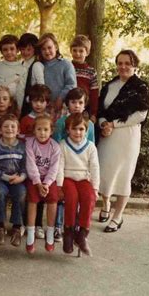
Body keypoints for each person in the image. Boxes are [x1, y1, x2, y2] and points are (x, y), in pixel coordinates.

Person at [97, 49, 149, 232]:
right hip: (107, 135)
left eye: (127, 63)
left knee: (123, 175)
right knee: (105, 172)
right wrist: (103, 123)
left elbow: (141, 114)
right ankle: (105, 205)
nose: (123, 66)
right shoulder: (110, 85)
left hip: (127, 136)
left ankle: (118, 216)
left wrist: (114, 124)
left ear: (134, 65)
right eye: (120, 63)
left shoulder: (140, 87)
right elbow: (100, 109)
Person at [52, 87, 96, 242]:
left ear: (84, 105)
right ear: (67, 104)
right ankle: (59, 226)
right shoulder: (61, 123)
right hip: (62, 166)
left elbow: (91, 147)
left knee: (84, 196)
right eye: (73, 102)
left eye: (80, 102)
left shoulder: (89, 125)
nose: (76, 105)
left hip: (82, 169)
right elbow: (57, 146)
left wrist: (90, 176)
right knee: (67, 196)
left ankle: (80, 227)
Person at [57, 113, 99, 256]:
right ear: (68, 130)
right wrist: (59, 186)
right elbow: (59, 167)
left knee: (89, 197)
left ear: (86, 130)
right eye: (74, 129)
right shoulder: (63, 144)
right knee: (71, 198)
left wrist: (95, 187)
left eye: (81, 129)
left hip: (83, 178)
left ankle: (82, 234)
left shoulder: (90, 147)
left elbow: (94, 168)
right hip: (68, 178)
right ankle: (68, 231)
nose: (77, 132)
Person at [25, 114, 61, 253]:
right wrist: (38, 183)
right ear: (34, 130)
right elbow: (31, 164)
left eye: (46, 129)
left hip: (48, 179)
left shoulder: (55, 146)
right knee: (33, 199)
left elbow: (54, 168)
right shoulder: (30, 143)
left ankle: (50, 233)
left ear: (51, 131)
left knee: (53, 199)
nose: (42, 133)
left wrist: (46, 184)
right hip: (34, 178)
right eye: (39, 129)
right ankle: (31, 233)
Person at [0, 114, 27, 247]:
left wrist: (21, 177)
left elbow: (25, 167)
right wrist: (5, 177)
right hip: (1, 179)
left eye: (13, 126)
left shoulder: (22, 147)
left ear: (18, 130)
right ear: (0, 130)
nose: (9, 129)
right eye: (5, 126)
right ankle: (0, 225)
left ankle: (17, 226)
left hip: (18, 179)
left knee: (21, 193)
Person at [37, 33, 76, 116]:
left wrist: (60, 98)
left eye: (49, 47)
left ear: (56, 47)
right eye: (43, 49)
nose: (47, 51)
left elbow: (71, 84)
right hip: (44, 108)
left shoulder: (66, 64)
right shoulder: (39, 66)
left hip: (63, 107)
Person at [70, 35, 99, 122]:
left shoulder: (91, 72)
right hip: (67, 108)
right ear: (70, 51)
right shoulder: (67, 67)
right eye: (74, 50)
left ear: (87, 52)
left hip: (84, 110)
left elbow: (94, 94)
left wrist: (94, 113)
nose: (77, 54)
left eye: (81, 51)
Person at [0, 34, 27, 109]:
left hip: (13, 106)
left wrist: (19, 108)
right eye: (5, 50)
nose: (9, 52)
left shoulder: (23, 69)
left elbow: (20, 92)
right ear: (1, 51)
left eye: (12, 49)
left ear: (17, 50)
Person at [18, 33, 44, 117]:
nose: (25, 52)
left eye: (29, 49)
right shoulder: (22, 64)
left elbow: (41, 87)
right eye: (22, 49)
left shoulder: (36, 65)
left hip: (31, 106)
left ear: (35, 49)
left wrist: (30, 99)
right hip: (20, 105)